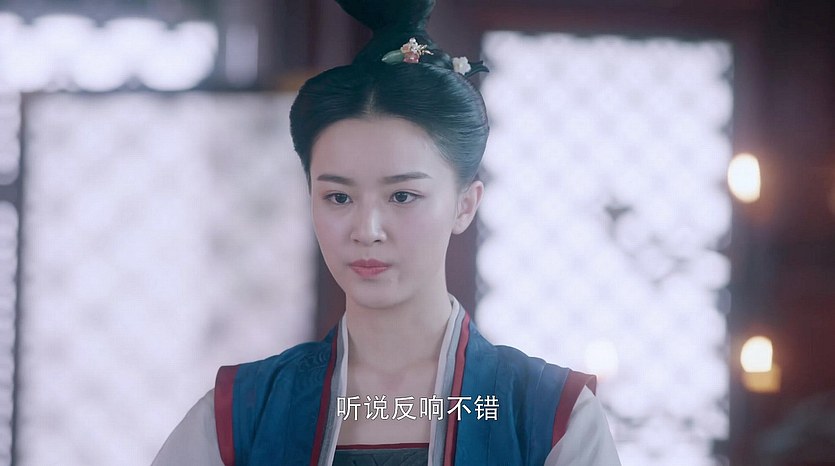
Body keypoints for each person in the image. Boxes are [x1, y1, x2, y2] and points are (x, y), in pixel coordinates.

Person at [152, 0, 620, 464]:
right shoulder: (240, 415)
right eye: (338, 197)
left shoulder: (550, 416)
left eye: (402, 196)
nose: (367, 230)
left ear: (465, 205)